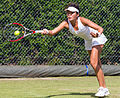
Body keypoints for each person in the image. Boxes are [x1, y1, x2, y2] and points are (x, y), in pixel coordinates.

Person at [40, 2, 110, 97]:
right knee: (96, 64)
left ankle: (103, 88)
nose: (69, 15)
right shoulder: (66, 23)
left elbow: (100, 28)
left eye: (71, 13)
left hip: (97, 38)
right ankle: (104, 88)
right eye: (68, 13)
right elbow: (53, 32)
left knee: (94, 63)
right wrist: (47, 31)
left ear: (77, 14)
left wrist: (97, 34)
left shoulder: (82, 20)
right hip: (88, 41)